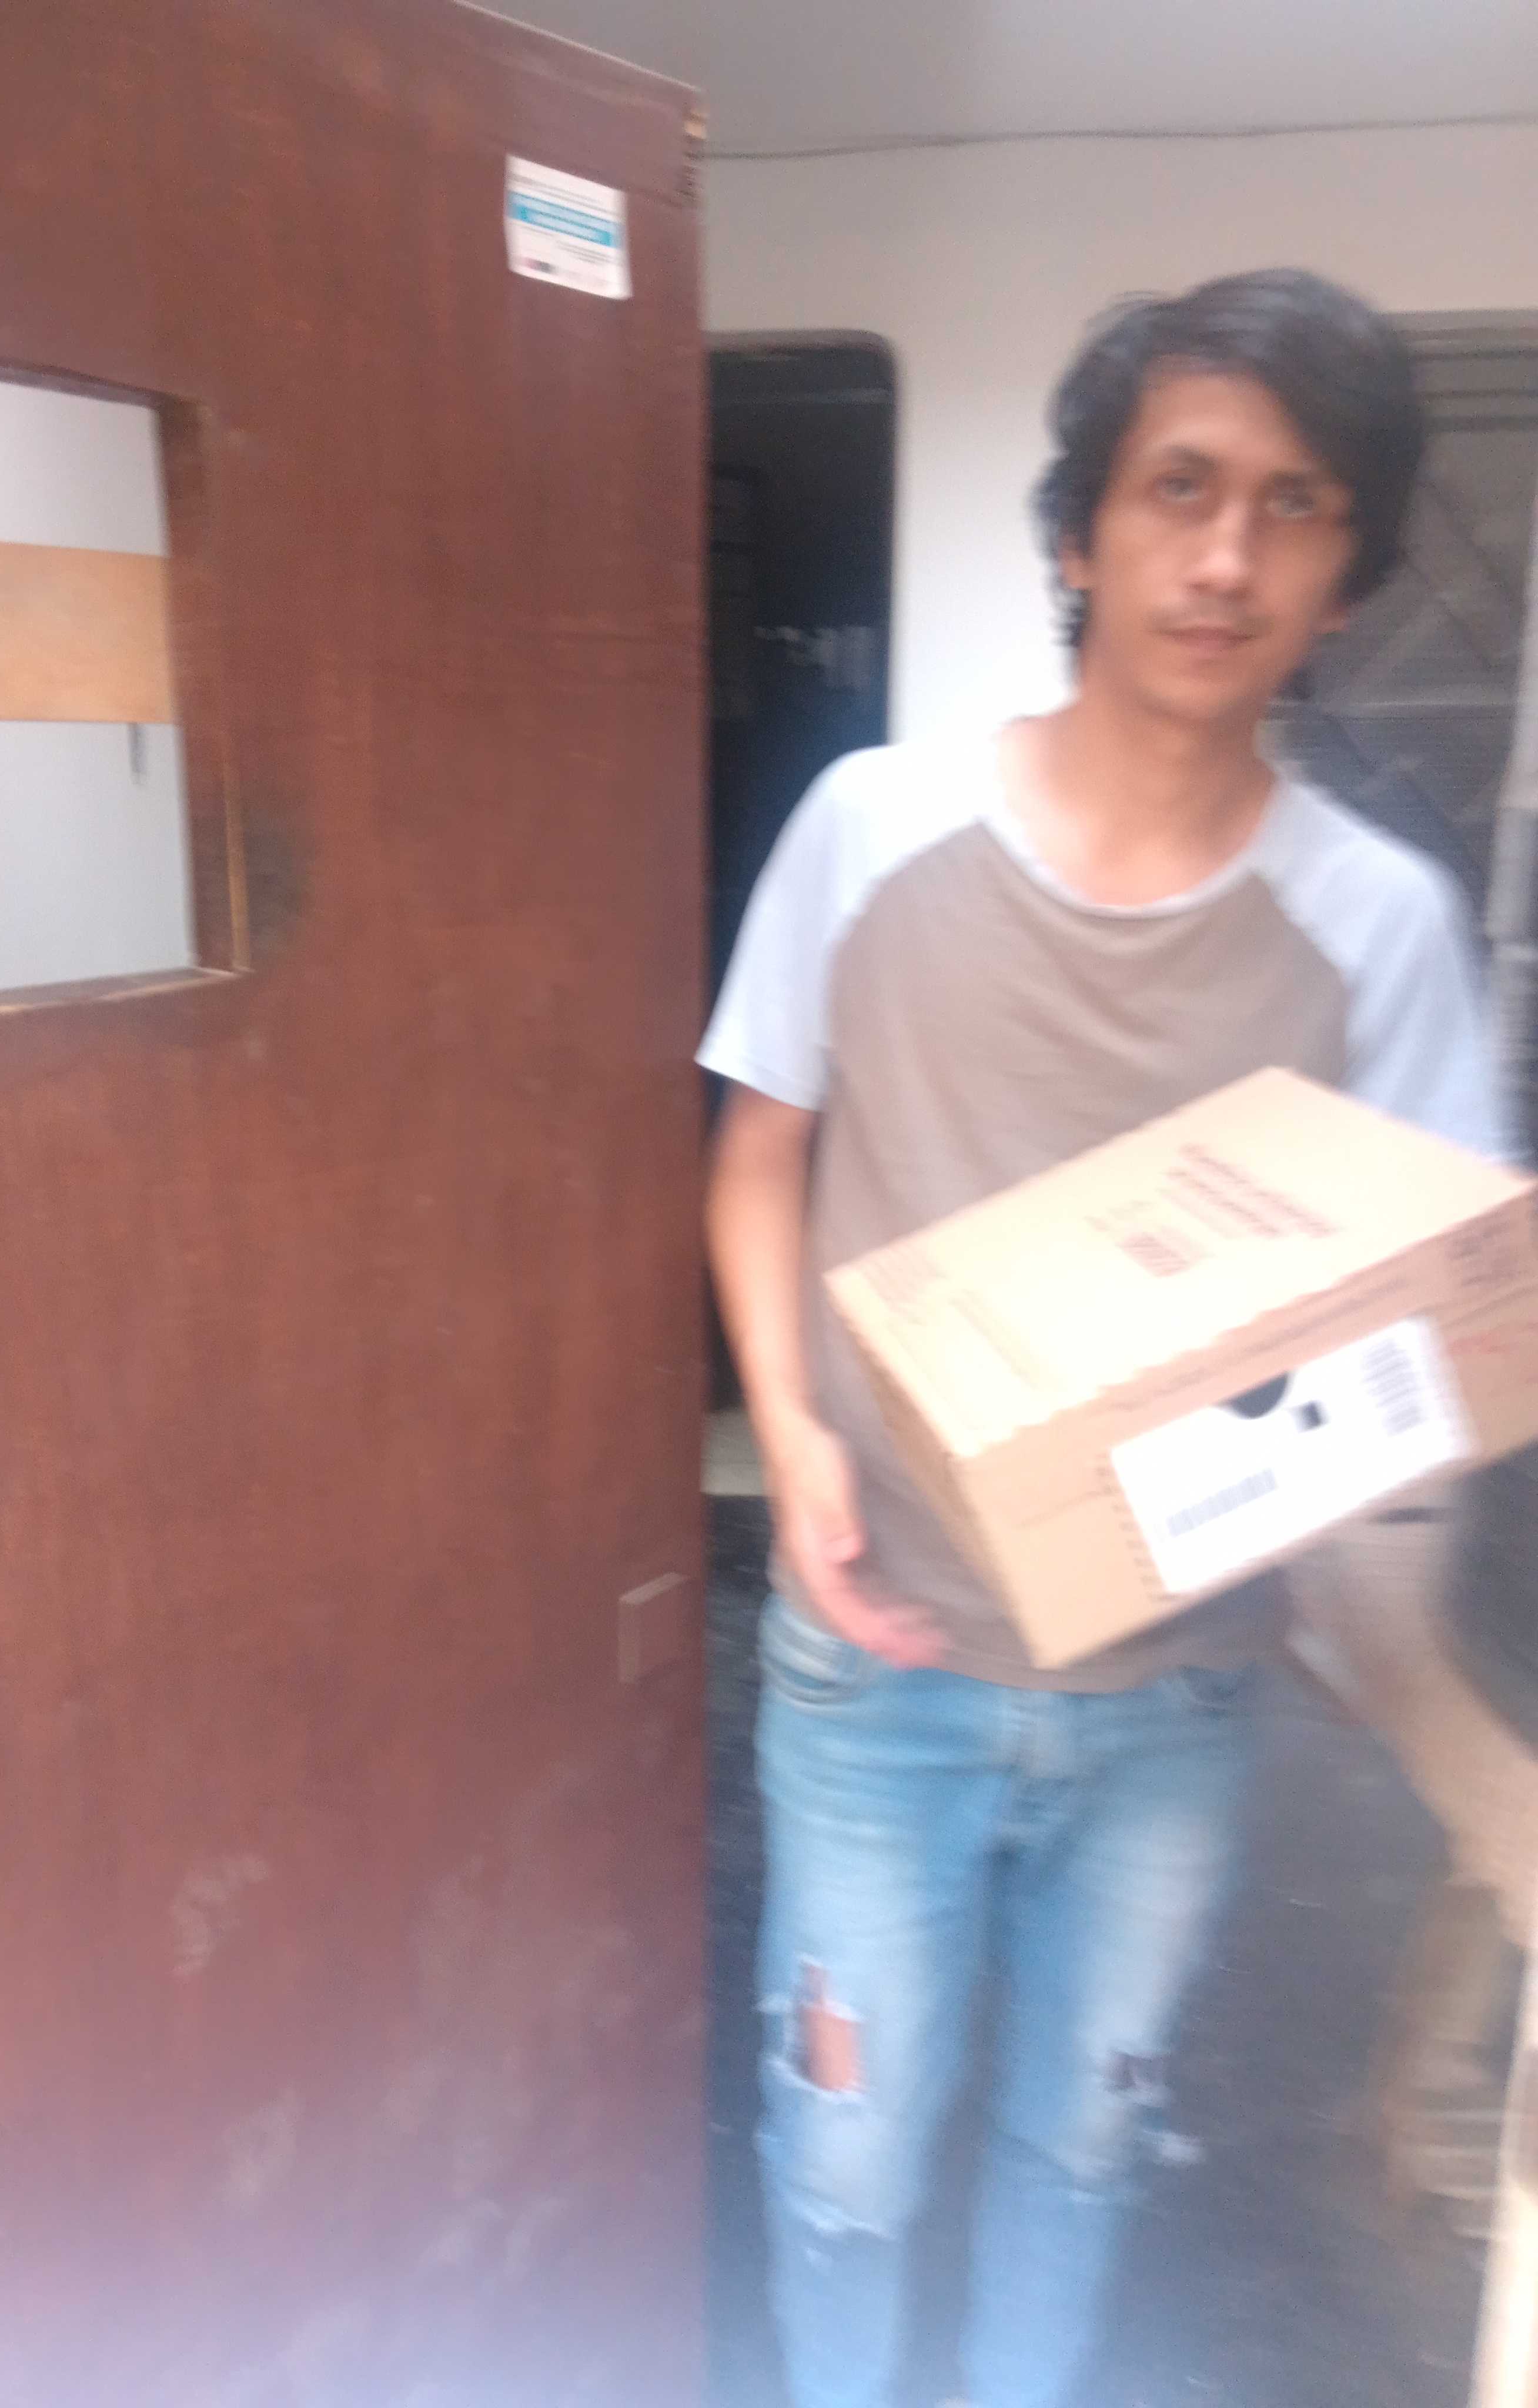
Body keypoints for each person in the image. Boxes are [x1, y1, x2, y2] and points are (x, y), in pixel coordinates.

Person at [698, 268, 1513, 2408]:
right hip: (878, 1669)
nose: (1227, 556)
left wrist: (1379, 1612)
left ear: (1347, 575)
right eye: (1180, 488)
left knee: (1082, 2158)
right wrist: (794, 1435)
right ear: (1078, 535)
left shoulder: (1377, 927)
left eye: (1294, 505)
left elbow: (1422, 1330)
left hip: (1176, 1701)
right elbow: (759, 1154)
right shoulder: (875, 832)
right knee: (846, 2161)